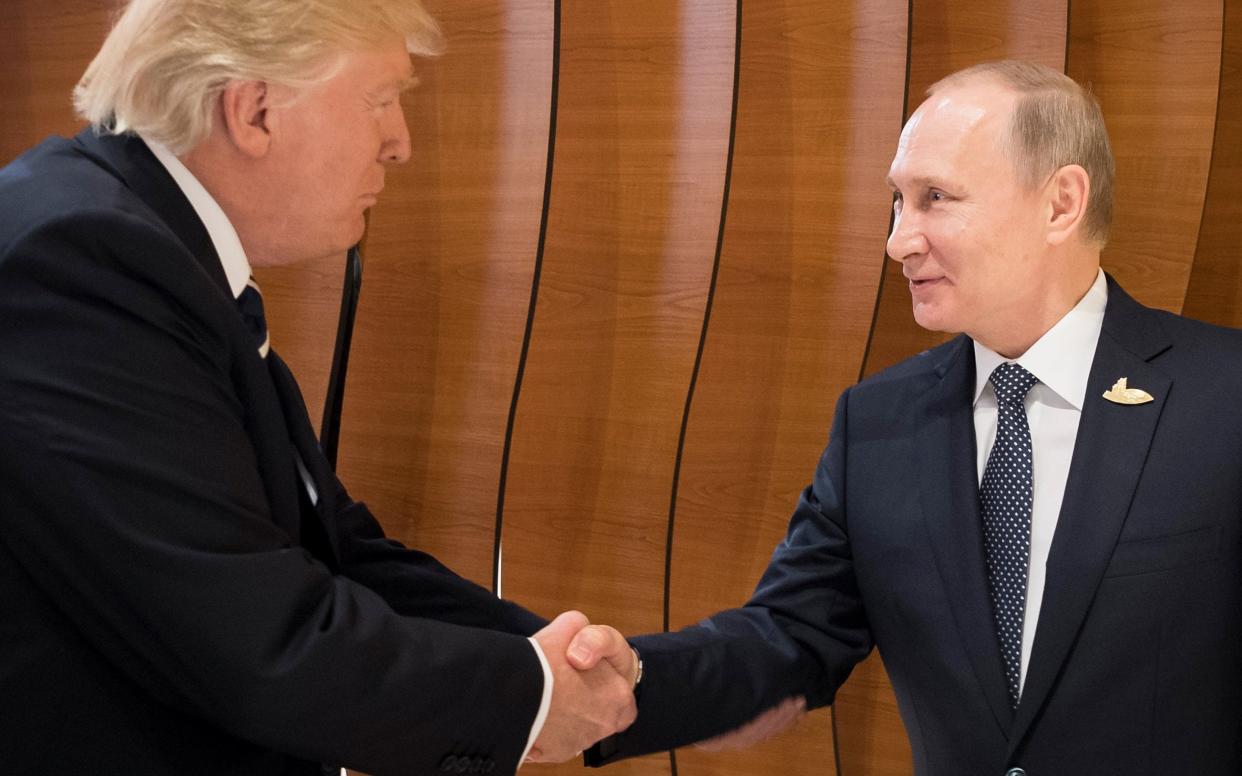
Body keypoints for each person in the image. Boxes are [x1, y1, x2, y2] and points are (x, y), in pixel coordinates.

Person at [0, 1, 637, 774]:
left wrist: (569, 668)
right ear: (255, 109)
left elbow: (333, 550)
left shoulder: (141, 244)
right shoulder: (80, 262)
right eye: (380, 100)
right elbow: (251, 642)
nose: (399, 143)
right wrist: (534, 695)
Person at [574, 60, 1242, 774]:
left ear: (1060, 205)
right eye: (898, 200)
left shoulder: (1224, 396)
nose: (899, 239)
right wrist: (636, 679)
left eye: (936, 198)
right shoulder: (877, 423)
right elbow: (790, 637)